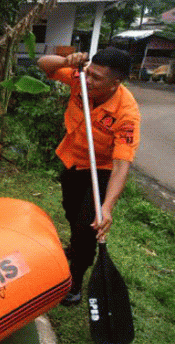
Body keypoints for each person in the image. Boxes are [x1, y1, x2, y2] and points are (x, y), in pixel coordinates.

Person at [37, 48, 140, 306]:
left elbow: (121, 165)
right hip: (73, 159)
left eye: (97, 78)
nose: (89, 81)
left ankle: (75, 282)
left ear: (115, 83)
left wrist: (107, 207)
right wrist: (65, 60)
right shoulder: (80, 77)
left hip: (101, 170)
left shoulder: (126, 114)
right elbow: (44, 65)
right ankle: (75, 245)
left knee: (87, 227)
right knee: (71, 211)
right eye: (89, 73)